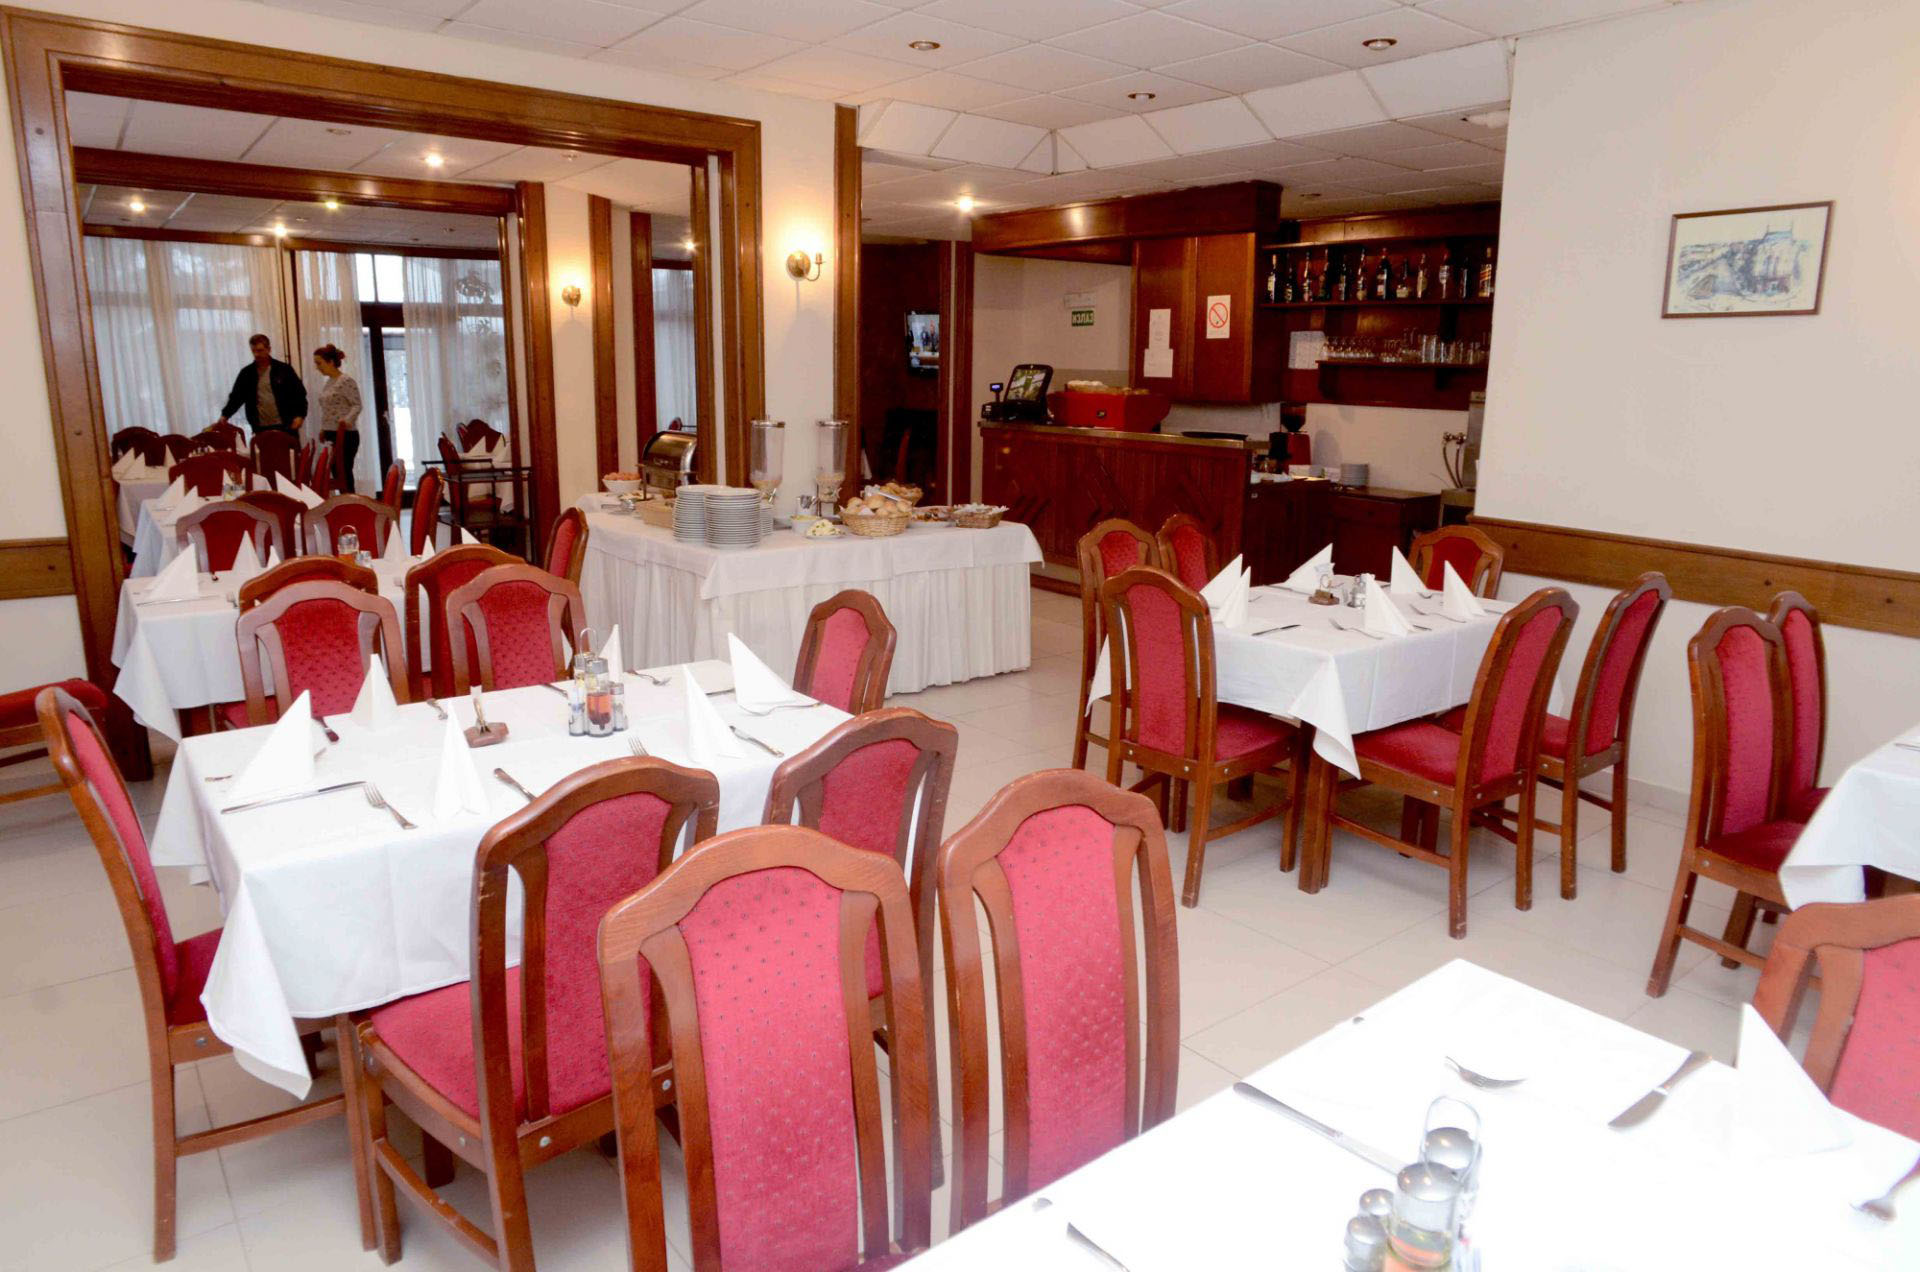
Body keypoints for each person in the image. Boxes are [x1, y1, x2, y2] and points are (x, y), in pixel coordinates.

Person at [217, 333, 307, 438]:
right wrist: (225, 415)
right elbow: (236, 397)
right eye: (253, 351)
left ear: (268, 349)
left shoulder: (284, 369)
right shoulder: (246, 373)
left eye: (259, 350)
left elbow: (299, 394)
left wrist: (300, 415)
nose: (256, 354)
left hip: (286, 425)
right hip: (260, 427)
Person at [311, 343, 364, 494]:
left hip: (345, 435)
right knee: (336, 472)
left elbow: (357, 405)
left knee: (344, 473)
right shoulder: (329, 383)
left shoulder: (345, 381)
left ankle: (350, 502)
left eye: (319, 363)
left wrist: (346, 420)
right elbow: (328, 409)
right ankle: (343, 502)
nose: (317, 367)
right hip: (331, 434)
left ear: (330, 362)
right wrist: (324, 428)